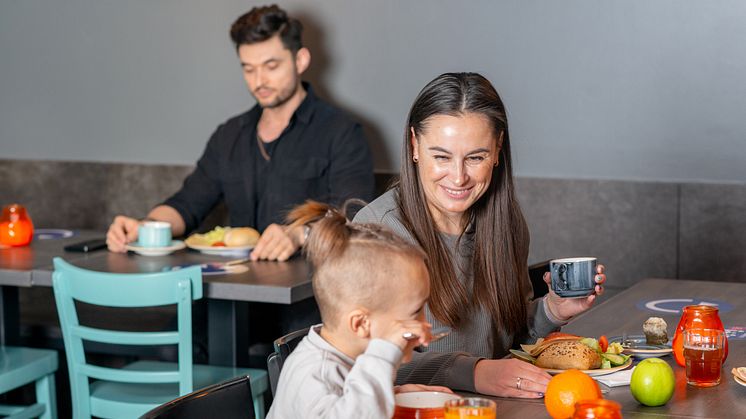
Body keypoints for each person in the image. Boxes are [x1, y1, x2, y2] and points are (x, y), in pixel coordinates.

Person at [353, 72, 607, 398]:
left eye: (476, 157)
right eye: (441, 156)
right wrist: (475, 373)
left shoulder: (507, 224)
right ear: (414, 145)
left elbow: (506, 340)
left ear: (498, 149)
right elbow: (363, 367)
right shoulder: (375, 232)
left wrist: (552, 311)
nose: (458, 178)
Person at [106, 4, 374, 261]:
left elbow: (354, 217)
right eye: (248, 68)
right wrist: (145, 227)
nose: (259, 81)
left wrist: (300, 234)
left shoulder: (342, 132)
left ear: (300, 60)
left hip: (309, 300)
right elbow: (187, 204)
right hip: (236, 296)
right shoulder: (229, 136)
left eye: (271, 66)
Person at [267, 201, 451, 419]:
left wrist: (391, 395)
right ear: (361, 324)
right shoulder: (316, 374)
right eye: (415, 313)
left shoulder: (348, 355)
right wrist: (384, 353)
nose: (424, 323)